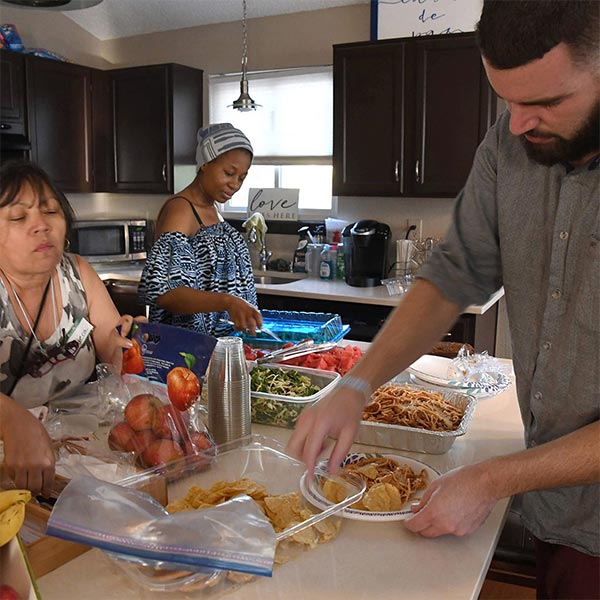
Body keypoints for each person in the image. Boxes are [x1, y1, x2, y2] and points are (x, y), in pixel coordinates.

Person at [288, 1, 599, 597]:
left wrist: (492, 479)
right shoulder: (510, 146)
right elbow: (452, 276)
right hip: (559, 511)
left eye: (545, 103)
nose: (517, 125)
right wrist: (357, 384)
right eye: (506, 99)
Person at [0, 160, 139, 496]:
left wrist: (126, 345)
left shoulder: (76, 272)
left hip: (76, 454)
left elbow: (109, 341)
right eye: (19, 217)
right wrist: (13, 419)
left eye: (51, 211)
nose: (41, 226)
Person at [139, 123, 262, 338]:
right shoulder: (181, 210)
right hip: (187, 352)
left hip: (219, 346)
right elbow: (167, 292)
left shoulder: (213, 209)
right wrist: (228, 301)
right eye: (228, 173)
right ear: (205, 164)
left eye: (241, 177)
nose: (235, 184)